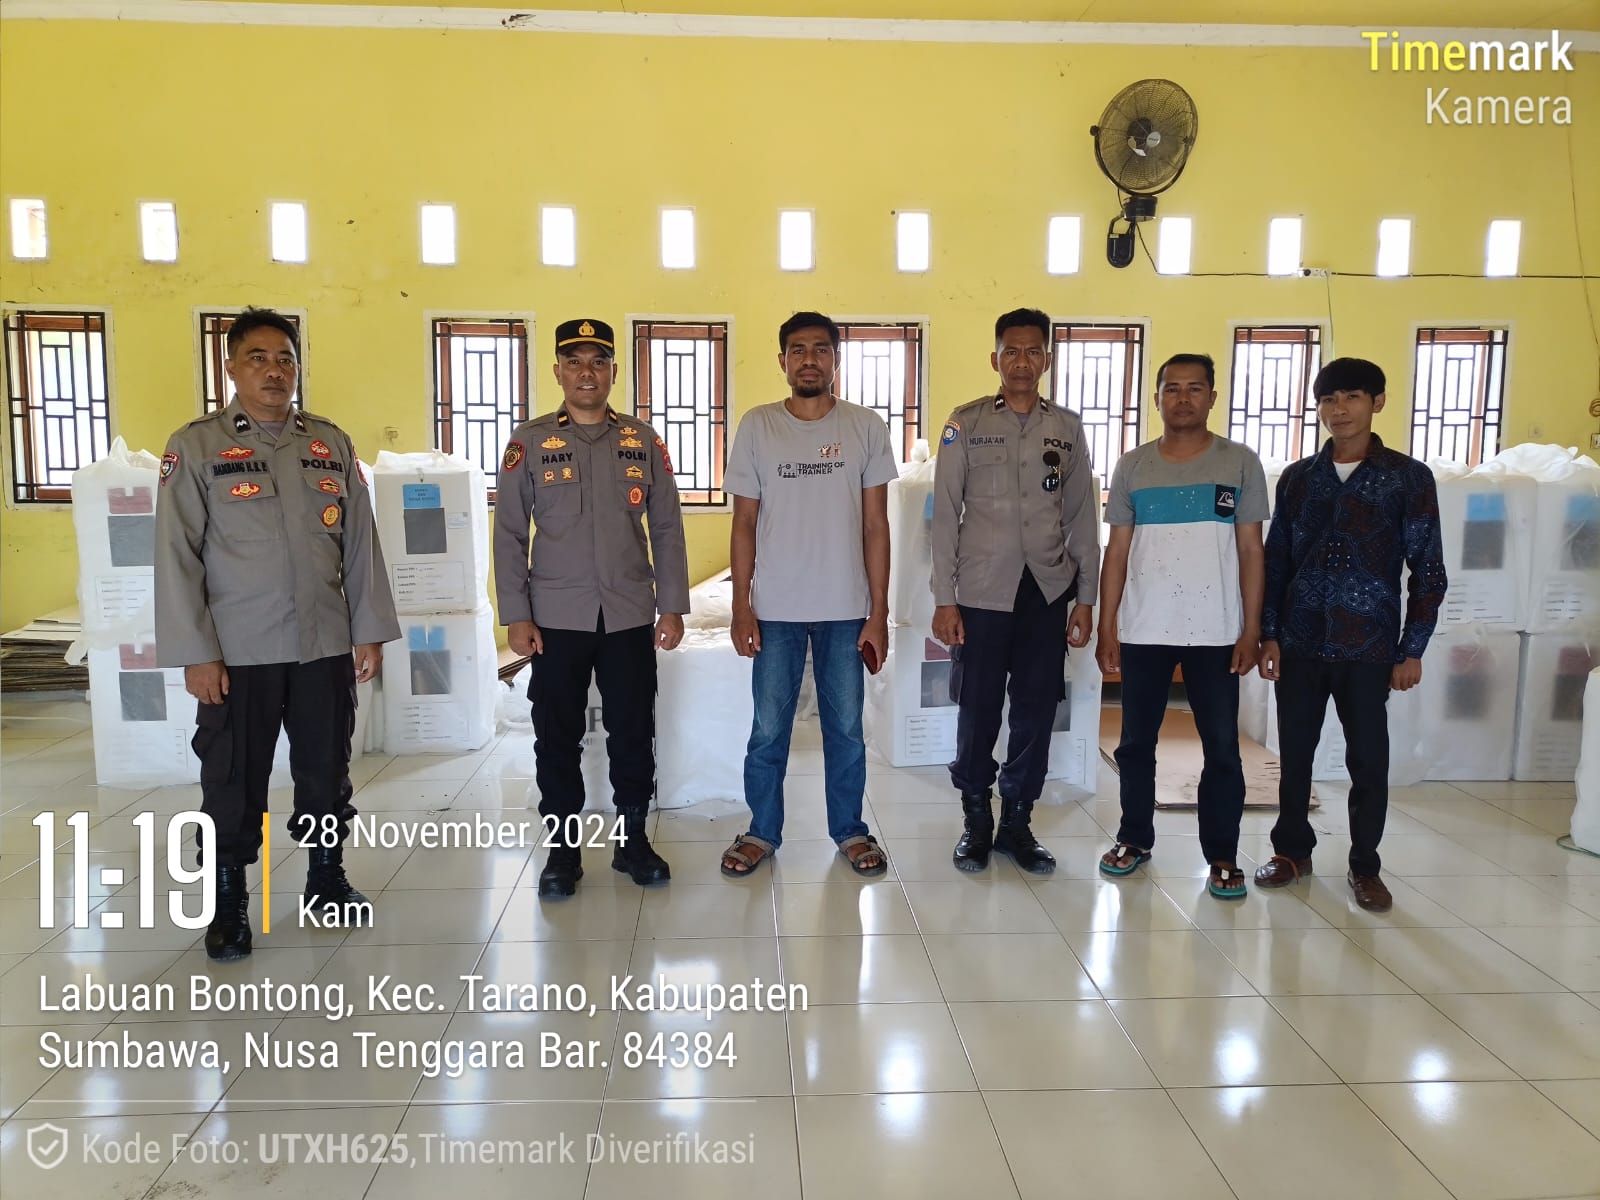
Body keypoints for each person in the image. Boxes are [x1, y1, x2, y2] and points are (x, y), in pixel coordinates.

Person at [155, 307, 399, 962]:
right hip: (239, 653)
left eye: (285, 359)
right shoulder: (197, 447)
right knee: (232, 777)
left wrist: (368, 630)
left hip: (323, 644)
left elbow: (361, 544)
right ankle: (229, 900)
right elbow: (175, 556)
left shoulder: (329, 443)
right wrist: (196, 653)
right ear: (231, 368)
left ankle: (326, 878)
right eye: (258, 358)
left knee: (327, 768)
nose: (274, 371)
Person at [495, 318, 689, 899]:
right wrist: (517, 613)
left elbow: (667, 527)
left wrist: (672, 606)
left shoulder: (642, 440)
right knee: (556, 736)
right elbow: (509, 533)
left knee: (633, 729)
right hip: (555, 618)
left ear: (613, 372)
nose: (587, 372)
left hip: (629, 614)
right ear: (557, 371)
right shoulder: (529, 442)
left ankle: (632, 841)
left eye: (598, 361)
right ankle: (563, 850)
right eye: (575, 362)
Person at [1256, 357, 1447, 912]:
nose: (1338, 410)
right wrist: (1269, 634)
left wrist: (1412, 649)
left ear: (1377, 402)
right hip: (1300, 642)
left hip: (1369, 644)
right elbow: (1276, 561)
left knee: (1368, 760)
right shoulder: (1298, 478)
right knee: (1294, 754)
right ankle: (1292, 851)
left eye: (1352, 397)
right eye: (1328, 400)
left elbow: (1428, 568)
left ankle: (1365, 865)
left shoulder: (1407, 478)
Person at [719, 311, 898, 879]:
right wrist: (742, 606)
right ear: (782, 361)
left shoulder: (865, 427)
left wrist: (879, 612)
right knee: (768, 731)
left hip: (846, 609)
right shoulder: (758, 426)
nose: (809, 360)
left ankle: (850, 830)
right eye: (797, 350)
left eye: (821, 349)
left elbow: (876, 525)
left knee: (845, 730)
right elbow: (744, 522)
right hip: (775, 610)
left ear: (835, 360)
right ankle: (761, 831)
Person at [930, 307, 1100, 874]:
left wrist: (1086, 598)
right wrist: (944, 597)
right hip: (982, 591)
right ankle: (977, 821)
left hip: (1046, 591)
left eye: (1033, 352)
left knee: (1036, 708)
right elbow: (945, 515)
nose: (1022, 362)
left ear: (1046, 359)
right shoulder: (966, 423)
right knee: (978, 707)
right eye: (1011, 351)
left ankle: (1017, 824)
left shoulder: (1067, 428)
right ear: (995, 358)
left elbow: (1081, 517)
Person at [1095, 353, 1268, 899]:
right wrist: (1107, 626)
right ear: (1157, 398)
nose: (1183, 398)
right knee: (1134, 743)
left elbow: (1251, 550)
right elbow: (1117, 552)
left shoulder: (1239, 463)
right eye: (1172, 388)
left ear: (1212, 397)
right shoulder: (1133, 466)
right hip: (1144, 627)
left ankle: (1222, 854)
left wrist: (1251, 629)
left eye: (1195, 388)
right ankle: (1134, 838)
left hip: (1217, 631)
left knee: (1222, 747)